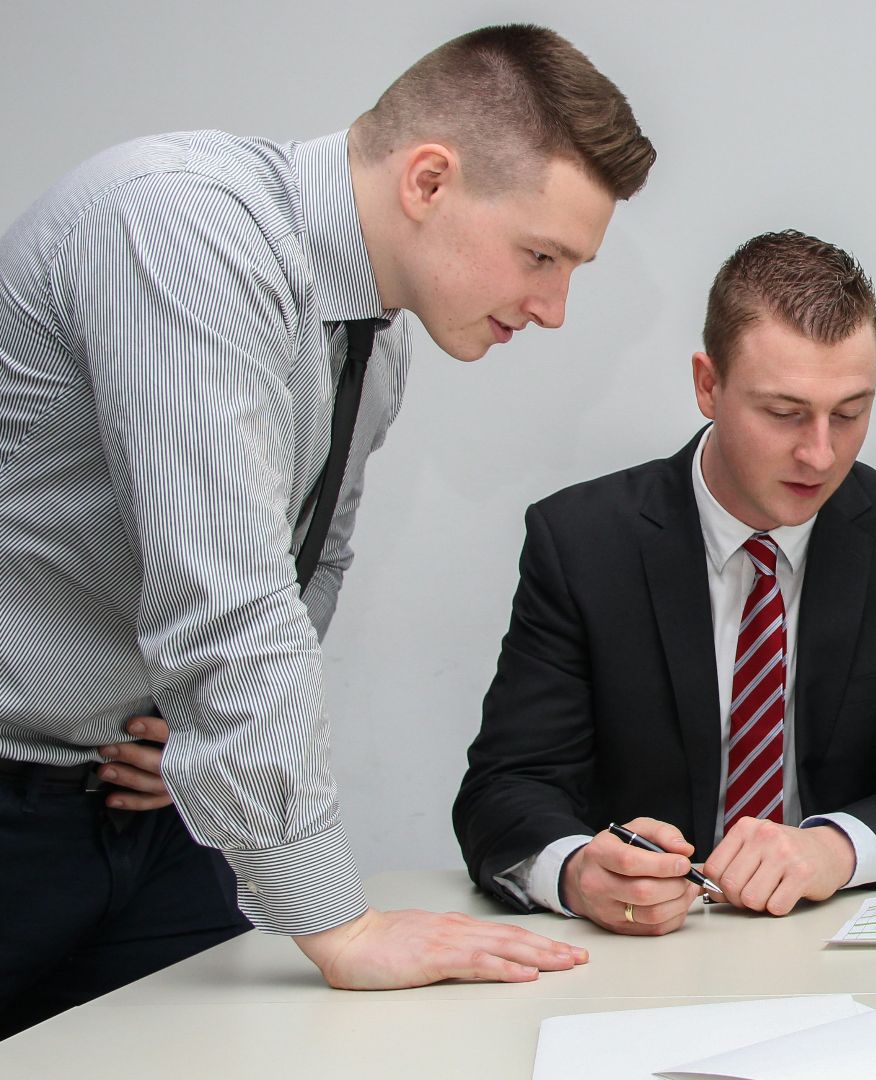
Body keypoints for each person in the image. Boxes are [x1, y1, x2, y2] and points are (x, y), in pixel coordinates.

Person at [0, 24, 657, 1035]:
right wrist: (339, 924)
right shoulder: (182, 226)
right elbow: (228, 599)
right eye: (542, 255)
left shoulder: (374, 341)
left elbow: (311, 562)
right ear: (429, 181)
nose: (554, 306)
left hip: (140, 809)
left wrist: (195, 736)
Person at [452, 230, 876, 934]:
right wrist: (578, 873)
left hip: (833, 942)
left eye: (849, 413)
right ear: (707, 385)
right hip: (642, 956)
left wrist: (834, 848)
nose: (820, 453)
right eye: (783, 413)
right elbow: (505, 789)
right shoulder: (582, 543)